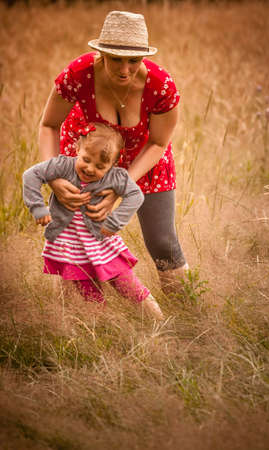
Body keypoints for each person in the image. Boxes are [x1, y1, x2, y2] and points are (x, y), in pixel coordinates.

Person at [38, 10, 188, 295]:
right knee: (79, 236)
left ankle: (187, 314)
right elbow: (49, 124)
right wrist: (53, 177)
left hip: (145, 157)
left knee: (162, 241)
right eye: (116, 59)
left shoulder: (161, 86)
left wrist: (119, 186)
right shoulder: (79, 74)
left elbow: (158, 143)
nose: (124, 70)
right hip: (89, 156)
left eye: (134, 60)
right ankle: (86, 318)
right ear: (101, 53)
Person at [23, 122, 164, 320]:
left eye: (100, 166)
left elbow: (135, 195)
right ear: (77, 148)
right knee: (90, 297)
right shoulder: (62, 166)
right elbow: (31, 175)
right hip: (72, 247)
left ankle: (159, 321)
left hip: (101, 244)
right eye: (86, 160)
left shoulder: (115, 177)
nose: (90, 168)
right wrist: (38, 207)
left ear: (113, 164)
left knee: (129, 286)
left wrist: (115, 222)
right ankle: (99, 331)